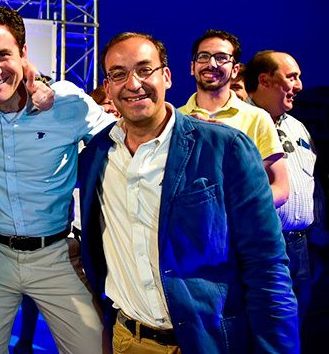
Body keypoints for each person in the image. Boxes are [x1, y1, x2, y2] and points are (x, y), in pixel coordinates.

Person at [80, 32, 298, 353]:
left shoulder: (225, 148)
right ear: (108, 86)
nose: (133, 83)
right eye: (118, 74)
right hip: (129, 340)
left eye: (145, 69)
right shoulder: (95, 156)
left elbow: (266, 264)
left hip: (209, 342)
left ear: (167, 76)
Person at [0, 4, 114, 354]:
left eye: (3, 55)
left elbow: (125, 140)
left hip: (56, 256)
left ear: (24, 53)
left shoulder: (66, 103)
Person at [245, 50, 324, 331]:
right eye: (291, 77)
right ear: (264, 80)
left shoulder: (298, 127)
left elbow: (312, 183)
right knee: (265, 331)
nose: (299, 86)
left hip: (302, 247)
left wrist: (318, 240)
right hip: (262, 246)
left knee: (294, 332)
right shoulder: (240, 124)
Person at [178, 29, 289, 207]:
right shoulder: (176, 119)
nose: (211, 64)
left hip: (239, 224)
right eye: (203, 57)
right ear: (192, 67)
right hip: (188, 223)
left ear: (235, 69)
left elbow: (280, 187)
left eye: (221, 58)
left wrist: (238, 211)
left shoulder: (257, 118)